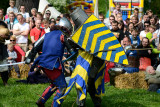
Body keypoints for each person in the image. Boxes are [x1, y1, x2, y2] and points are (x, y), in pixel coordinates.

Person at [26, 17, 73, 107]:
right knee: (62, 86)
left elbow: (36, 45)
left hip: (43, 63)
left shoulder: (47, 34)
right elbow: (72, 50)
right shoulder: (62, 35)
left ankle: (41, 101)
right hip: (53, 64)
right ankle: (55, 105)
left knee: (55, 83)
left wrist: (29, 58)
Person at [0, 21, 10, 86]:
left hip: (2, 50)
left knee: (4, 68)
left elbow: (8, 35)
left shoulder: (2, 23)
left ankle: (5, 82)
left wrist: (5, 36)